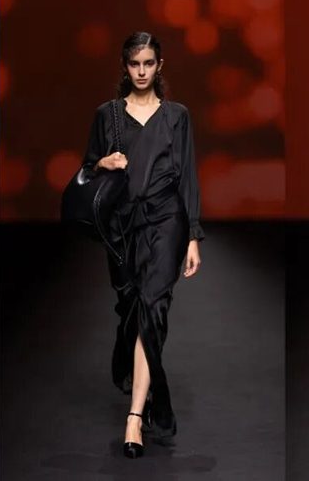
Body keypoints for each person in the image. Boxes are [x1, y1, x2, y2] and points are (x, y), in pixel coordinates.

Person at [83, 31, 203, 459]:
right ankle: (138, 383)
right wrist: (103, 161)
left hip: (167, 220)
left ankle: (134, 416)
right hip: (122, 226)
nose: (141, 71)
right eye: (134, 64)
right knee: (133, 310)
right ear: (125, 66)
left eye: (148, 63)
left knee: (154, 306)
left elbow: (188, 176)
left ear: (159, 65)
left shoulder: (177, 116)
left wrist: (192, 235)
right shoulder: (108, 115)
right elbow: (85, 170)